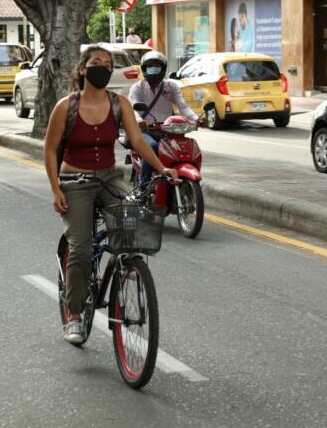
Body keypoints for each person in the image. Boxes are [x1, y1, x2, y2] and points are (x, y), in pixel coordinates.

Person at [43, 45, 177, 344]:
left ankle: (127, 269)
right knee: (81, 248)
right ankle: (75, 314)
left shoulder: (119, 104)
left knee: (132, 229)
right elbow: (51, 150)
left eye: (107, 63)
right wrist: (55, 189)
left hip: (110, 178)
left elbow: (139, 141)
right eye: (95, 63)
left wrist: (162, 169)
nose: (102, 67)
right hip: (74, 181)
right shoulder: (66, 106)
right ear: (82, 69)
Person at [128, 51, 200, 187]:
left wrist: (196, 119)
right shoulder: (137, 88)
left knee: (183, 147)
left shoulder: (171, 87)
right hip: (145, 132)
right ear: (144, 69)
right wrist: (139, 121)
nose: (153, 69)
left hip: (167, 130)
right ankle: (144, 186)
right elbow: (133, 110)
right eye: (150, 66)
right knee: (152, 147)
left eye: (157, 66)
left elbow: (183, 107)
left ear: (163, 68)